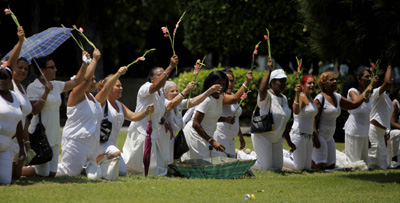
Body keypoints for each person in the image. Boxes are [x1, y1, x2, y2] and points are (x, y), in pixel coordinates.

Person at [23, 53, 90, 177]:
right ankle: (16, 171)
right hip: (41, 135)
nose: (55, 69)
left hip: (54, 134)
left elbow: (76, 81)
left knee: (52, 174)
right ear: (42, 70)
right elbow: (34, 111)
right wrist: (45, 93)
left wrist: (84, 64)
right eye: (52, 67)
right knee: (42, 173)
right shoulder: (33, 87)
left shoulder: (56, 85)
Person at [122, 55, 179, 176]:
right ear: (152, 78)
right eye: (159, 74)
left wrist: (165, 120)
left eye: (164, 74)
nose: (163, 75)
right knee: (144, 169)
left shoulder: (161, 94)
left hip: (153, 133)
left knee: (157, 169)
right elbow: (156, 86)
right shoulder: (146, 87)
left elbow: (165, 109)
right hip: (141, 131)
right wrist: (170, 67)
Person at [181, 70, 252, 161]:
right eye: (219, 83)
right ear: (211, 83)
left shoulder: (220, 97)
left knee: (204, 166)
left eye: (223, 84)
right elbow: (196, 123)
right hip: (195, 135)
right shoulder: (207, 99)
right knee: (198, 167)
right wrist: (212, 141)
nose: (221, 87)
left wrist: (225, 119)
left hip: (206, 136)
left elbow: (211, 117)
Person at [96, 68, 154, 176]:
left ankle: (100, 163)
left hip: (111, 146)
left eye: (121, 85)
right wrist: (118, 73)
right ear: (109, 86)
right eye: (117, 86)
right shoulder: (101, 102)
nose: (121, 88)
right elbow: (104, 90)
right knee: (116, 155)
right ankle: (92, 161)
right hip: (98, 144)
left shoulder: (119, 105)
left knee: (122, 172)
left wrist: (146, 112)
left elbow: (134, 116)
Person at [312, 72, 371, 170]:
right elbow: (312, 118)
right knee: (321, 166)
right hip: (320, 135)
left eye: (335, 79)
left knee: (330, 165)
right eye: (331, 80)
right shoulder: (320, 98)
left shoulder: (337, 97)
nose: (335, 81)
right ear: (324, 84)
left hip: (330, 137)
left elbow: (353, 105)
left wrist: (366, 91)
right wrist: (315, 137)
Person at [57, 49, 102, 177]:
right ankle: (31, 170)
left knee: (93, 175)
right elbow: (85, 79)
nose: (93, 82)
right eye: (91, 79)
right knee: (69, 172)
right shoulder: (75, 94)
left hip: (90, 144)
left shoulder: (92, 98)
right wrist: (93, 60)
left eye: (95, 79)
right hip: (76, 141)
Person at [248, 59, 293, 171]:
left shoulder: (284, 98)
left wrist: (289, 142)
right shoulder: (267, 96)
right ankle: (244, 157)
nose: (283, 84)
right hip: (263, 136)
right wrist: (269, 71)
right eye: (280, 81)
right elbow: (262, 89)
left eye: (284, 81)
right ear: (272, 82)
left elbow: (284, 122)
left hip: (276, 138)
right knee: (265, 167)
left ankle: (259, 157)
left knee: (277, 167)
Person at [162, 80, 221, 163]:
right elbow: (171, 105)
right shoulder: (164, 102)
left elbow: (193, 101)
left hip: (170, 138)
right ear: (164, 93)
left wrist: (209, 91)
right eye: (172, 91)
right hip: (161, 137)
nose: (175, 93)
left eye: (177, 90)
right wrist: (186, 89)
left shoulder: (179, 103)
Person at [7, 26, 33, 178]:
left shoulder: (23, 89)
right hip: (9, 136)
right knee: (7, 177)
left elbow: (25, 119)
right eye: (20, 67)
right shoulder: (9, 85)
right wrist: (20, 42)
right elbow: (10, 64)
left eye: (26, 69)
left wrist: (26, 142)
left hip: (20, 139)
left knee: (17, 176)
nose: (23, 71)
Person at [283, 75, 318, 170]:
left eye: (313, 83)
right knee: (298, 167)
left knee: (307, 167)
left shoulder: (311, 98)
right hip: (299, 135)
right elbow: (296, 111)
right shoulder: (301, 97)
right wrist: (297, 94)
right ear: (302, 85)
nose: (312, 85)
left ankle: (286, 155)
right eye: (309, 83)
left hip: (309, 137)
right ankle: (279, 156)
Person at [341, 67, 371, 165]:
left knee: (364, 162)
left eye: (370, 77)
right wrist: (370, 87)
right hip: (354, 129)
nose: (369, 79)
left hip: (365, 130)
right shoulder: (352, 91)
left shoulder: (369, 94)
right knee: (354, 162)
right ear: (359, 78)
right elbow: (356, 102)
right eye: (366, 76)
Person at [213, 69, 246, 157]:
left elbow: (235, 118)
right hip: (220, 136)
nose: (230, 84)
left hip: (231, 139)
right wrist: (246, 82)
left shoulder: (234, 97)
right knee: (222, 164)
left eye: (231, 81)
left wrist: (241, 136)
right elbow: (234, 99)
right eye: (227, 81)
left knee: (230, 163)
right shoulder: (220, 96)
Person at [0, 65, 24, 184]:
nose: (2, 80)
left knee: (5, 181)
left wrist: (22, 146)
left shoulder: (15, 96)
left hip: (7, 145)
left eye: (5, 78)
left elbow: (19, 124)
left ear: (10, 79)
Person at [368, 66, 393, 169]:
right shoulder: (377, 92)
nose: (392, 81)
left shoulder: (387, 96)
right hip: (373, 131)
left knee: (383, 165)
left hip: (381, 133)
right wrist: (389, 65)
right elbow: (386, 83)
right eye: (390, 78)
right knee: (372, 163)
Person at [388, 89, 400, 168]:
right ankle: (394, 160)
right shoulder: (395, 104)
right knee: (397, 133)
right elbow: (392, 123)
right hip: (390, 132)